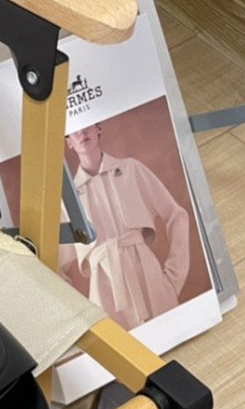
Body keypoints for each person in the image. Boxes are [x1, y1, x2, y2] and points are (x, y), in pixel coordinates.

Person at [60, 123, 190, 329]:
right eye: (74, 130)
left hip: (150, 280)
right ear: (69, 142)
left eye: (87, 126)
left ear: (99, 129)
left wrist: (174, 277)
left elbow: (177, 216)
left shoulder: (130, 169)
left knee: (175, 335)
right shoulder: (68, 198)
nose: (82, 132)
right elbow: (57, 266)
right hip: (105, 293)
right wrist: (82, 316)